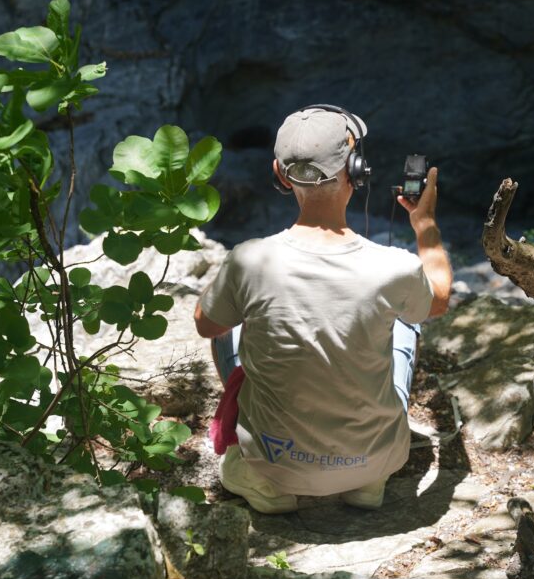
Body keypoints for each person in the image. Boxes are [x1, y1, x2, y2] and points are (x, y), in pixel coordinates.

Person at [193, 105, 452, 513]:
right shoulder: (395, 267)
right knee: (407, 320)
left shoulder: (249, 260)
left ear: (280, 174)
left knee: (230, 322)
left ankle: (261, 481)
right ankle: (367, 481)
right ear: (357, 170)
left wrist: (235, 279)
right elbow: (438, 299)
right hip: (370, 462)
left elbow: (206, 326)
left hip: (276, 462)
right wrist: (425, 224)